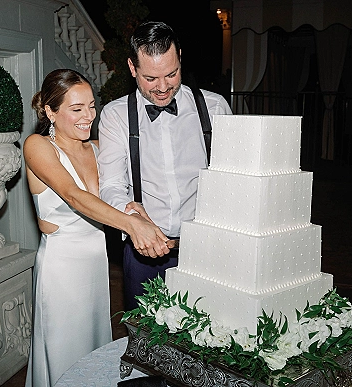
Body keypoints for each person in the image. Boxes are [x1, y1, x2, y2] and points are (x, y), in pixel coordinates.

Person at [23, 69, 170, 387]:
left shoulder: (100, 148)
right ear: (51, 111)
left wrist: (134, 208)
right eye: (76, 109)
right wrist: (132, 226)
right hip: (61, 268)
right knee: (64, 354)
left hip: (95, 263)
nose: (88, 116)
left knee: (94, 354)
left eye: (91, 106)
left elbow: (117, 193)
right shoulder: (37, 146)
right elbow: (75, 196)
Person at [97, 21, 233, 310]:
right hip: (144, 253)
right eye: (150, 78)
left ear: (180, 57)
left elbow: (233, 180)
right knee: (146, 346)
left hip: (206, 249)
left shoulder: (215, 107)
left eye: (171, 74)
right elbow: (110, 184)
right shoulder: (116, 116)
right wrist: (133, 220)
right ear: (132, 69)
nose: (162, 87)